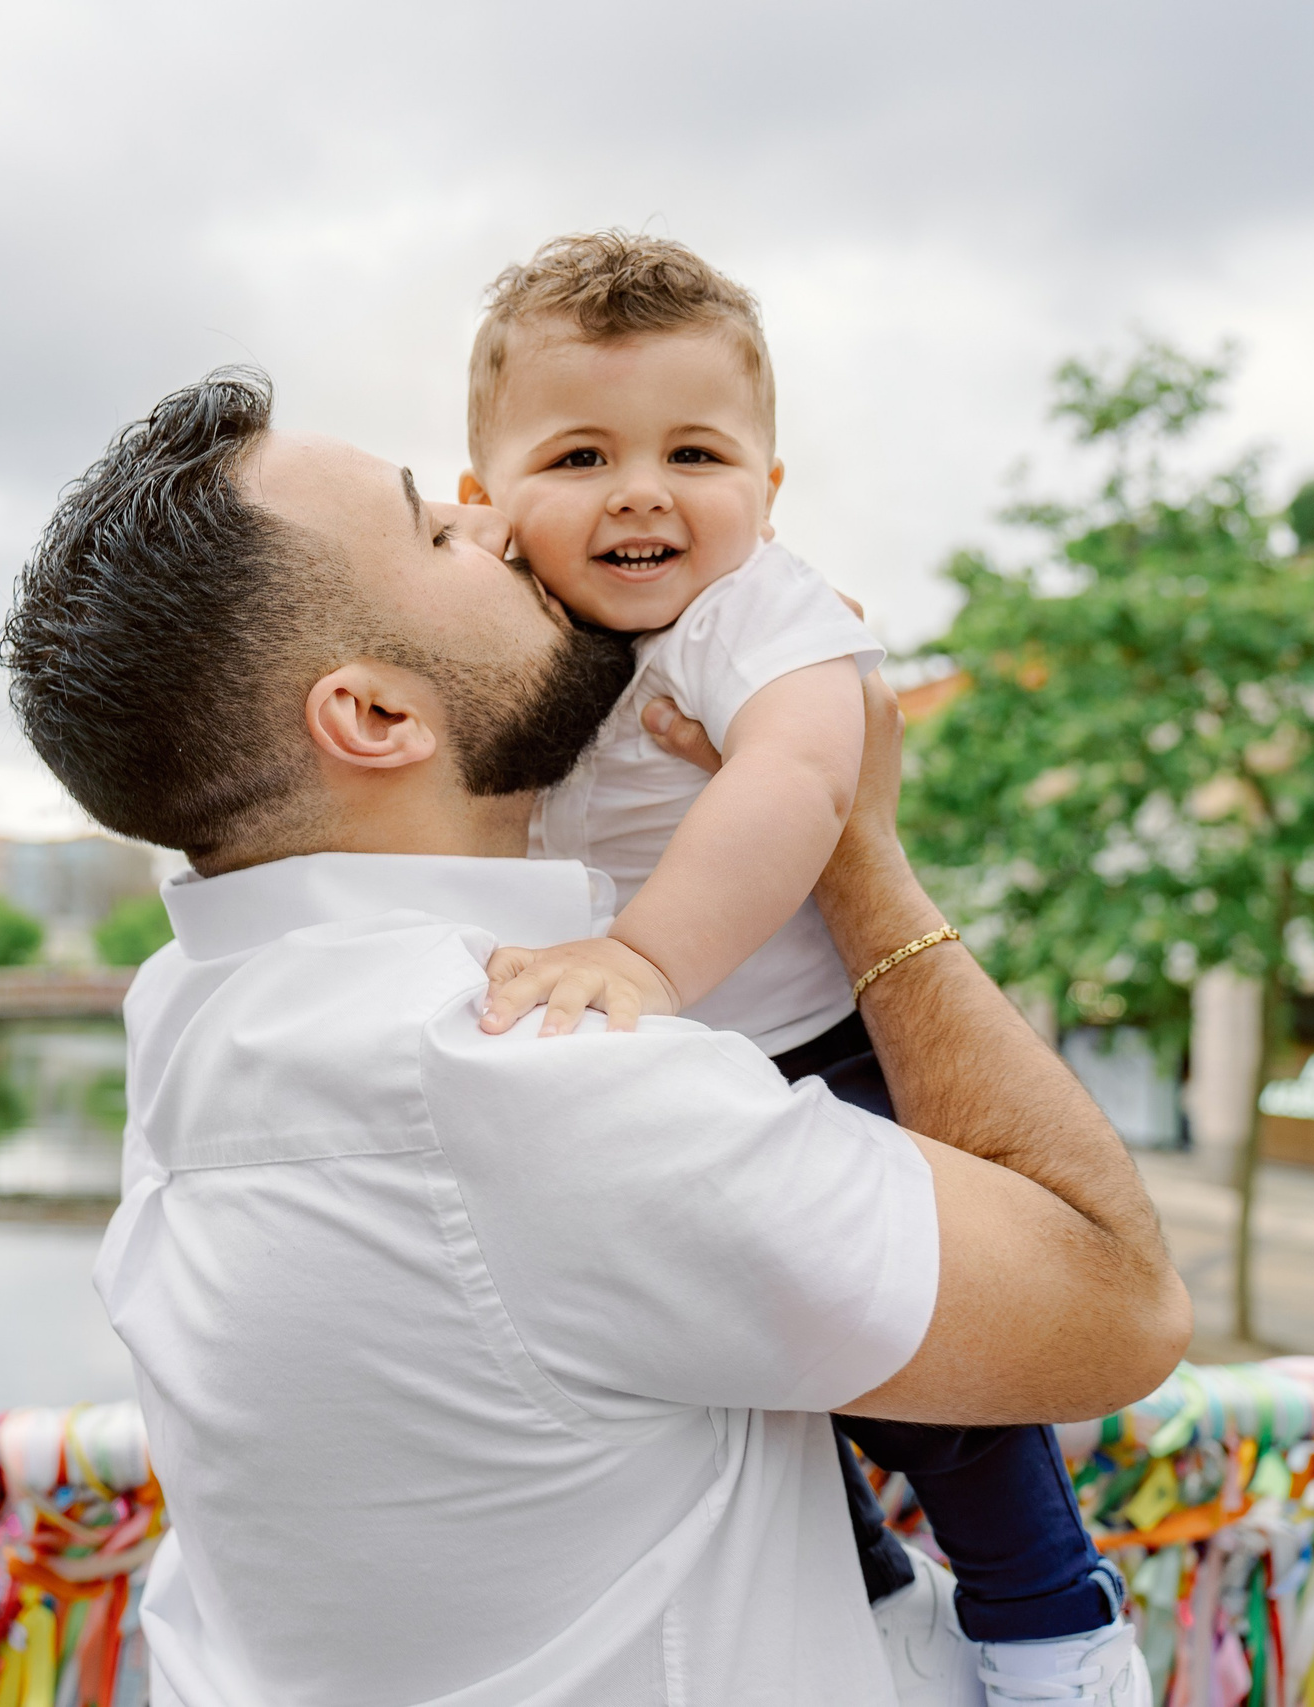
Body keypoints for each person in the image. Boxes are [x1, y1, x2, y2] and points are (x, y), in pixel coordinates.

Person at [0, 368, 1188, 1705]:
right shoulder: (523, 1081)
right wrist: (856, 855)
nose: (498, 526)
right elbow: (1122, 1307)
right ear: (377, 717)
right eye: (433, 533)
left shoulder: (201, 1012)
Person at [456, 231, 1140, 1707]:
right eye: (578, 456)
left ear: (767, 497)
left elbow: (800, 777)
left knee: (932, 1378)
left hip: (810, 1047)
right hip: (641, 1073)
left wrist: (641, 953)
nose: (641, 489)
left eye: (694, 452)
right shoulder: (502, 632)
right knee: (731, 1383)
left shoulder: (755, 610)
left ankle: (1051, 1630)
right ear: (485, 506)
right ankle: (875, 1597)